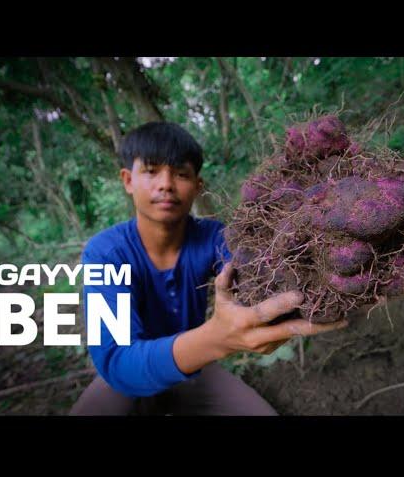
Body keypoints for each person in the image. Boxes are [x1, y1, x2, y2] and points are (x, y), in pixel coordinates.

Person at [69, 122, 348, 416]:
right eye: (151, 171)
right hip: (128, 378)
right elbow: (117, 360)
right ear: (128, 180)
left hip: (196, 366)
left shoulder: (214, 238)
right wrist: (218, 339)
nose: (165, 184)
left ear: (197, 185)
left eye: (180, 173)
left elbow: (258, 270)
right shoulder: (104, 253)